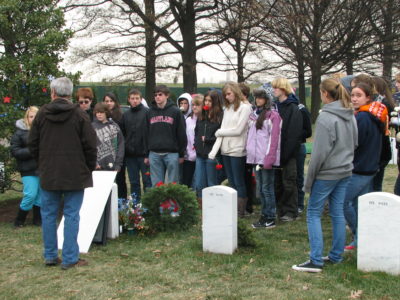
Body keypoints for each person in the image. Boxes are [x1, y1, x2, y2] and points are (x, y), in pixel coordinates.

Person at [29, 77, 97, 270]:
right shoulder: (80, 115)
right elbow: (91, 146)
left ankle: (50, 255)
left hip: (50, 172)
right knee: (72, 215)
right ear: (71, 93)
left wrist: (42, 164)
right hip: (75, 173)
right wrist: (88, 167)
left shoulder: (41, 114)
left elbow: (32, 143)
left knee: (48, 214)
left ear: (53, 93)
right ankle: (69, 258)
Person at [292, 78, 357, 273]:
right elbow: (355, 143)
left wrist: (309, 180)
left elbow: (319, 154)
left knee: (313, 213)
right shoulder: (349, 113)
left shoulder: (326, 117)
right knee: (337, 212)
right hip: (345, 170)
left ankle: (316, 260)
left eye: (320, 92)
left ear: (325, 94)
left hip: (328, 173)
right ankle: (336, 256)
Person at [343, 82, 385, 251]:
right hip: (370, 166)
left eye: (358, 95)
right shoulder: (373, 114)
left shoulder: (362, 117)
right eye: (352, 95)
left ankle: (359, 235)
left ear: (368, 97)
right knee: (360, 204)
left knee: (343, 203)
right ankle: (364, 238)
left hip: (360, 168)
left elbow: (354, 143)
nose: (354, 98)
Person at [208, 82, 252, 217]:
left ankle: (241, 211)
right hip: (225, 149)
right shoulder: (227, 108)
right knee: (231, 181)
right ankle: (233, 208)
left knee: (239, 181)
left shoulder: (245, 107)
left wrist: (220, 132)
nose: (227, 97)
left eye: (229, 94)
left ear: (235, 92)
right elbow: (226, 129)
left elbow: (239, 130)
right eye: (225, 94)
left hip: (238, 149)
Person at [246, 88, 281, 229]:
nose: (258, 100)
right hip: (256, 158)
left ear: (267, 99)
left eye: (261, 97)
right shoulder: (253, 115)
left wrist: (269, 158)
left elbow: (274, 139)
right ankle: (264, 215)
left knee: (267, 188)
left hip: (266, 158)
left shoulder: (273, 116)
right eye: (257, 97)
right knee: (260, 189)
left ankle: (270, 216)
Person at [271, 78, 303, 222]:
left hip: (288, 153)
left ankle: (291, 211)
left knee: (289, 182)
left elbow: (293, 134)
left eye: (276, 88)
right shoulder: (275, 107)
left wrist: (285, 154)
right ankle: (281, 209)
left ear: (283, 89)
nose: (274, 90)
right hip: (275, 153)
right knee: (277, 183)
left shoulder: (293, 108)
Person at [147, 85, 187, 185]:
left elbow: (181, 133)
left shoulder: (176, 111)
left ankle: (172, 202)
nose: (157, 97)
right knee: (157, 185)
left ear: (167, 95)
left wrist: (181, 154)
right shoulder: (149, 112)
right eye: (155, 95)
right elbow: (146, 133)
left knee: (172, 184)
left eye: (160, 95)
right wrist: (146, 153)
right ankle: (158, 201)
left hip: (171, 153)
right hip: (154, 153)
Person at [11, 106, 41, 227]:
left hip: (42, 169)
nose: (34, 119)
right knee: (30, 194)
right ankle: (19, 220)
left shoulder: (44, 132)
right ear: (27, 118)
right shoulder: (19, 133)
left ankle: (37, 220)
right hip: (28, 169)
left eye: (36, 116)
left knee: (40, 196)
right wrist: (32, 150)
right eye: (31, 116)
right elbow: (15, 151)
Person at [120, 89, 151, 200]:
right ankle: (136, 209)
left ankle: (148, 206)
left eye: (137, 98)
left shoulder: (147, 113)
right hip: (130, 155)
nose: (134, 101)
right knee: (134, 183)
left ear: (141, 99)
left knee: (147, 182)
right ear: (129, 100)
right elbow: (122, 134)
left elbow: (151, 133)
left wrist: (148, 153)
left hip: (144, 155)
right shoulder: (125, 115)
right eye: (132, 98)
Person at [194, 90, 223, 205]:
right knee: (199, 183)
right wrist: (196, 144)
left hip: (212, 155)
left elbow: (220, 136)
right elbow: (197, 132)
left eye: (209, 101)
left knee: (212, 183)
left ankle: (214, 206)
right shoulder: (202, 115)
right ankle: (202, 206)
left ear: (215, 102)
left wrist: (207, 139)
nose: (206, 103)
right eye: (205, 100)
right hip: (200, 154)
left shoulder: (220, 116)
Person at [103, 92, 127, 199]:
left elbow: (124, 134)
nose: (109, 103)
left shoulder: (121, 116)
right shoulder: (100, 116)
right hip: (105, 153)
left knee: (120, 179)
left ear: (115, 102)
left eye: (111, 101)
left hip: (118, 152)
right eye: (106, 101)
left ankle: (122, 202)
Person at [239, 82, 256, 215]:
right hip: (239, 147)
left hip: (247, 148)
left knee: (246, 178)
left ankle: (248, 206)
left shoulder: (249, 108)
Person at [92, 103, 124, 171]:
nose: (99, 114)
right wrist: (94, 163)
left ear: (106, 112)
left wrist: (118, 164)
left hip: (112, 165)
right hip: (97, 166)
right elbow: (89, 147)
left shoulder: (114, 126)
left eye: (101, 112)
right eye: (97, 112)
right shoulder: (91, 127)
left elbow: (120, 145)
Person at [182, 94, 202, 188]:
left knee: (197, 182)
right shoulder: (188, 120)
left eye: (197, 105)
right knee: (187, 181)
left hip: (200, 155)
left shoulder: (204, 120)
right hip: (188, 156)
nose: (194, 107)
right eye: (193, 104)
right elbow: (185, 137)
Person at [296, 98, 312, 214]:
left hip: (299, 145)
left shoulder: (302, 110)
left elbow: (308, 131)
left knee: (299, 176)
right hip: (285, 147)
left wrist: (294, 134)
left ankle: (300, 203)